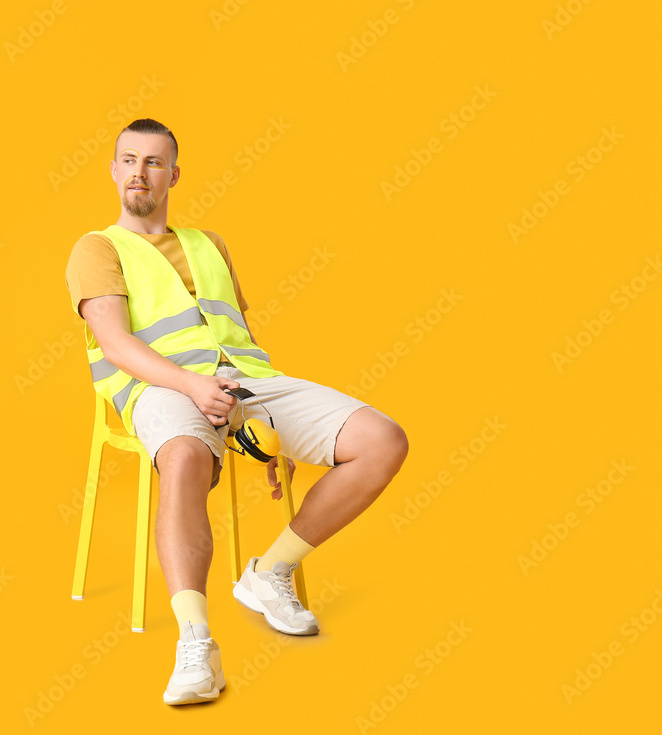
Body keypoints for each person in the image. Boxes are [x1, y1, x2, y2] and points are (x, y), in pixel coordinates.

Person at [64, 118, 408, 705]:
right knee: (183, 459)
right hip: (160, 386)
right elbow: (117, 344)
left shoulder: (209, 244)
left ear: (173, 174)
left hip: (246, 382)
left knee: (383, 440)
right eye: (128, 160)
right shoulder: (97, 248)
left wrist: (267, 434)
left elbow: (239, 333)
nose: (138, 172)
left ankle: (268, 573)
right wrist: (194, 390)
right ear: (114, 169)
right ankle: (196, 643)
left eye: (152, 162)